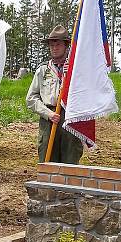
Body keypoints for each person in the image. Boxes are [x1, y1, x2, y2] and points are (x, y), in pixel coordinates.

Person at [26, 25, 84, 164]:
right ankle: (47, 186)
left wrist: (70, 73)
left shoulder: (75, 69)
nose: (54, 47)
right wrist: (48, 114)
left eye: (58, 44)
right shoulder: (42, 70)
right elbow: (31, 99)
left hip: (70, 117)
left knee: (70, 159)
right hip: (49, 119)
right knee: (47, 159)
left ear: (66, 46)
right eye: (51, 44)